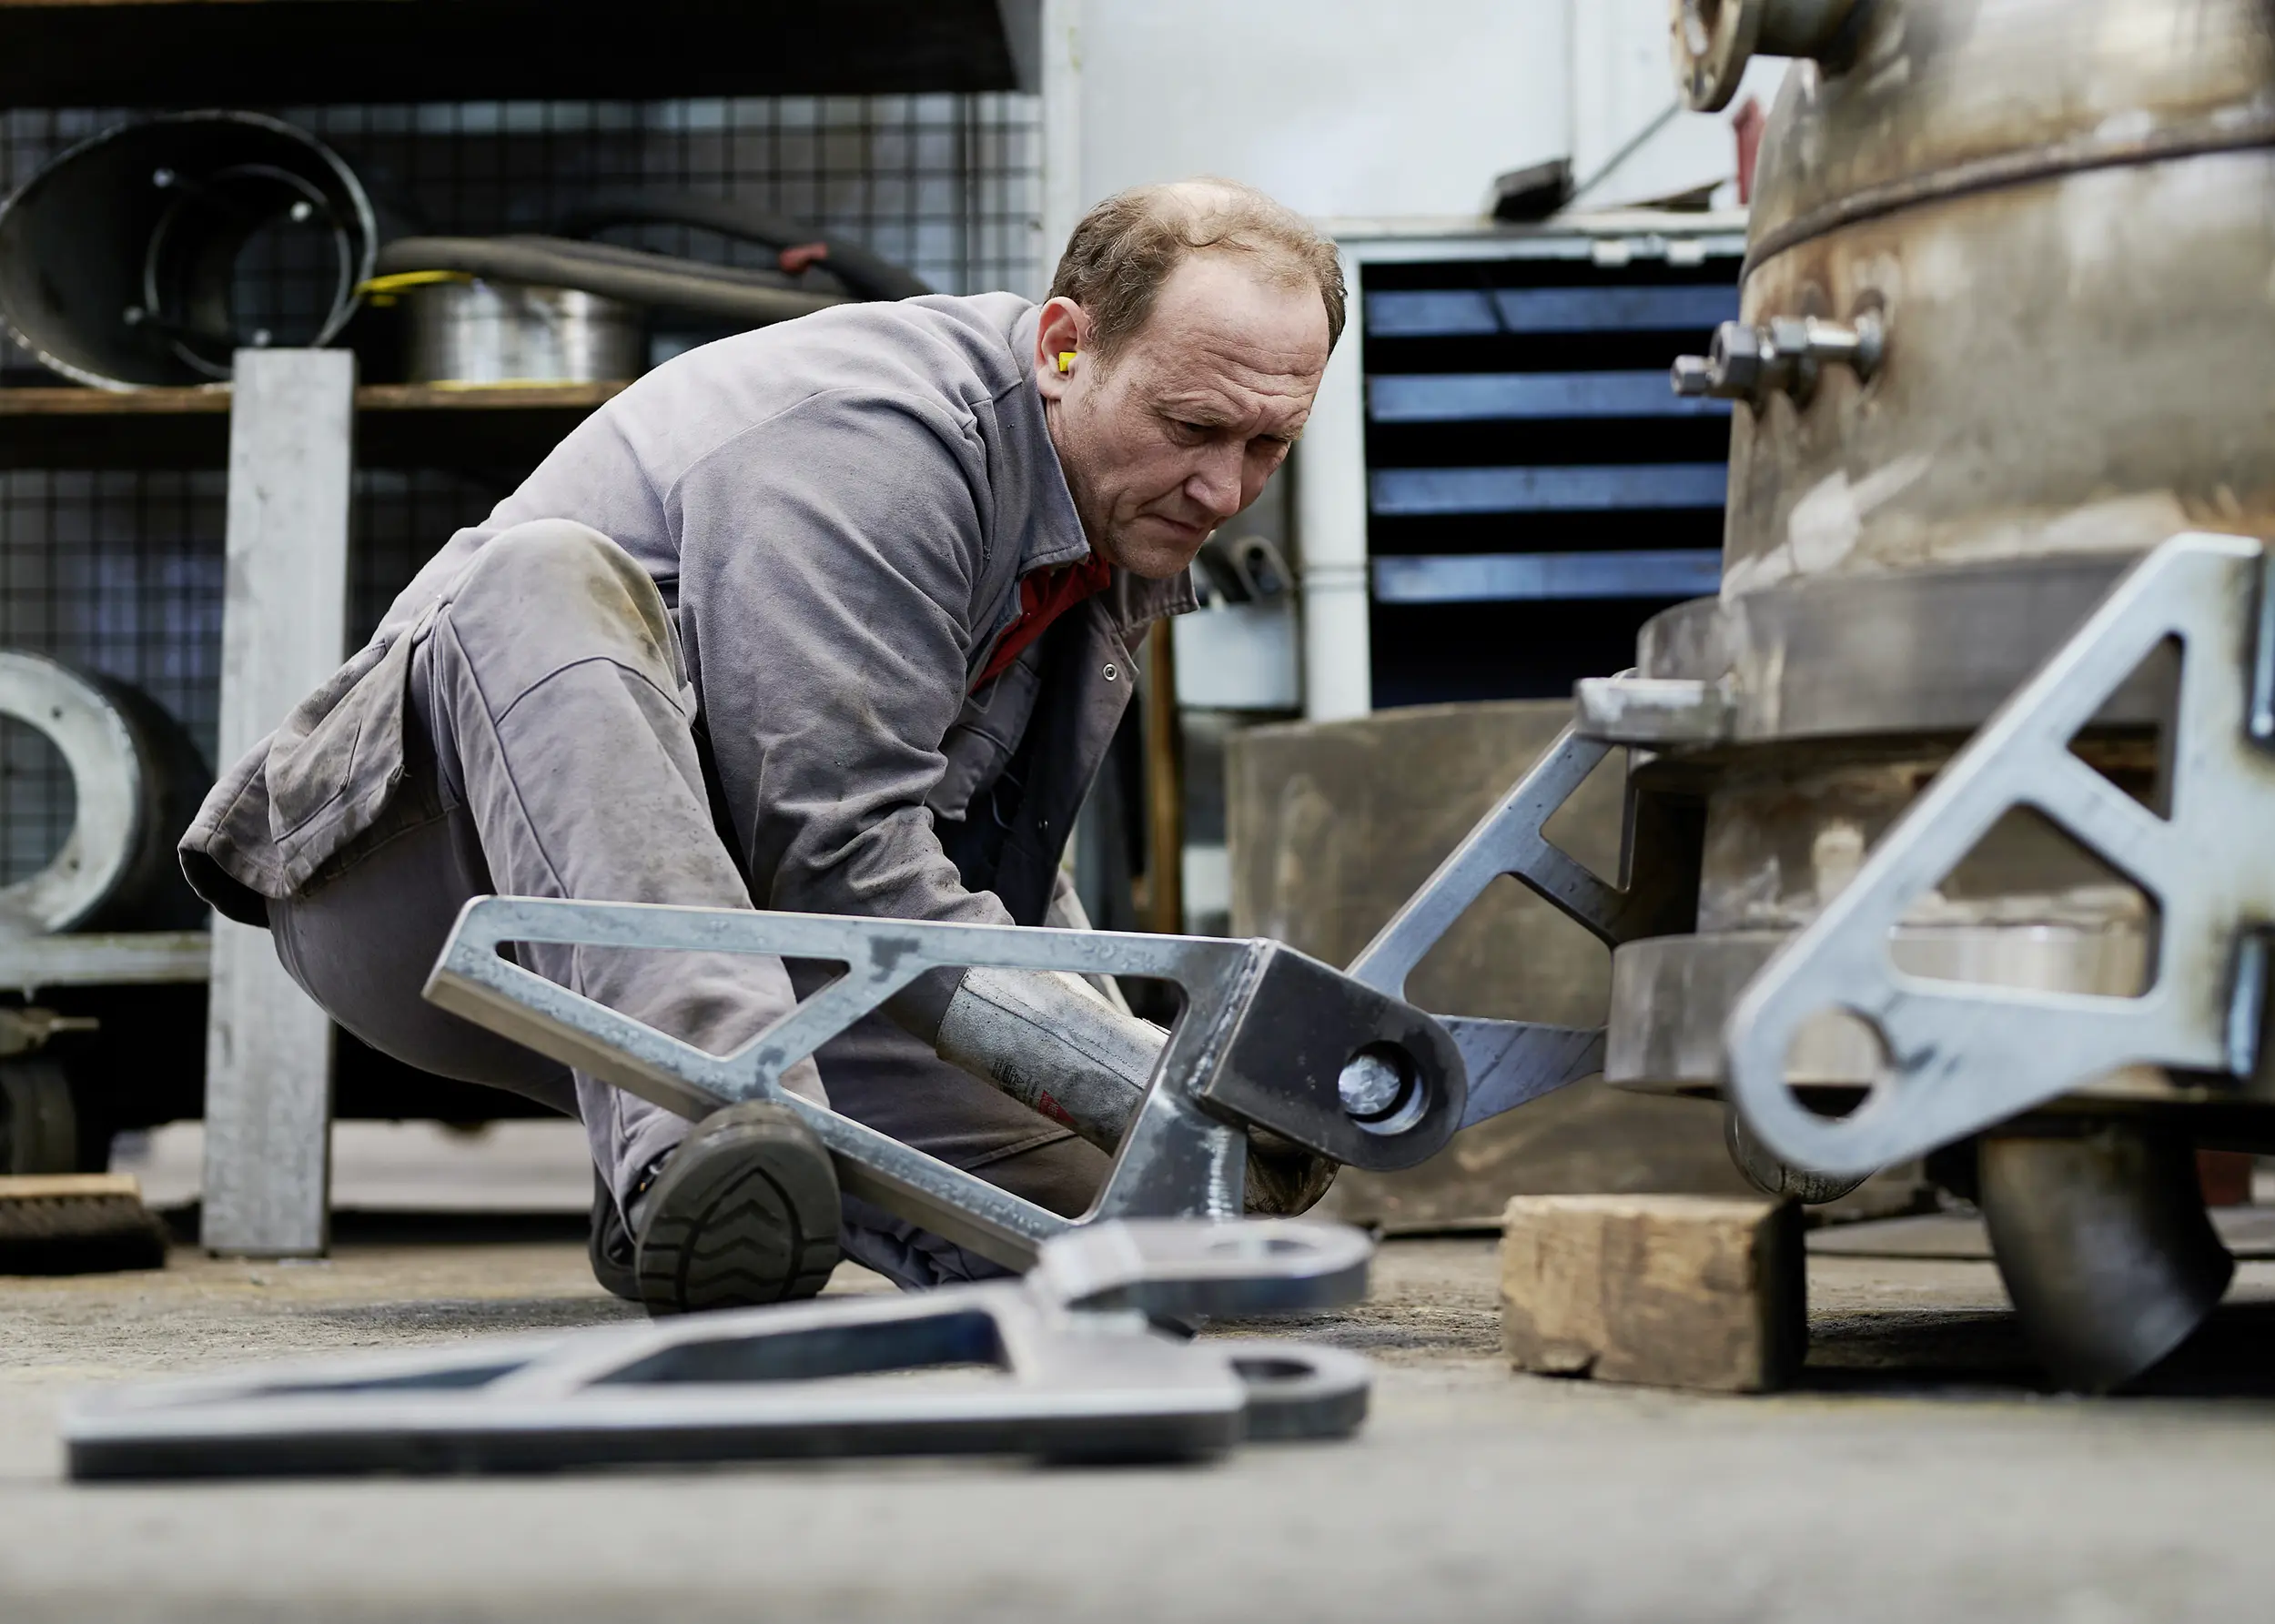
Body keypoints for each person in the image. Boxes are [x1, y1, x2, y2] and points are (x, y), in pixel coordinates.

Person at [178, 178, 1345, 1312]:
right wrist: (1141, 1079)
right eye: (1193, 427)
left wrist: (1151, 1090)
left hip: (743, 915)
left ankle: (700, 1170)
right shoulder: (880, 445)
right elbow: (839, 849)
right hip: (417, 875)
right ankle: (700, 1129)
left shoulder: (1111, 508)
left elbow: (981, 880)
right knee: (540, 576)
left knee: (1148, 1227)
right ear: (1063, 347)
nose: (1222, 490)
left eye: (1268, 447)